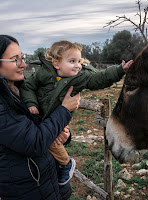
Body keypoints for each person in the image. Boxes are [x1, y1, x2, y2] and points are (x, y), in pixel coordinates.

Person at [20, 40, 133, 185]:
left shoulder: (79, 77)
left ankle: (65, 163)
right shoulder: (43, 73)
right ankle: (51, 167)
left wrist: (119, 70)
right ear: (56, 63)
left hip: (57, 120)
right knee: (43, 142)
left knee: (51, 141)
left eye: (79, 61)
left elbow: (98, 79)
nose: (78, 65)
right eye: (72, 61)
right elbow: (28, 87)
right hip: (40, 117)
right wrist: (31, 103)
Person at [0, 35, 81, 200]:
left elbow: (41, 124)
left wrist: (63, 133)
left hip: (44, 183)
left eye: (22, 57)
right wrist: (65, 110)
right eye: (15, 59)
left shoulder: (21, 90)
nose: (23, 64)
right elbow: (34, 142)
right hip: (26, 190)